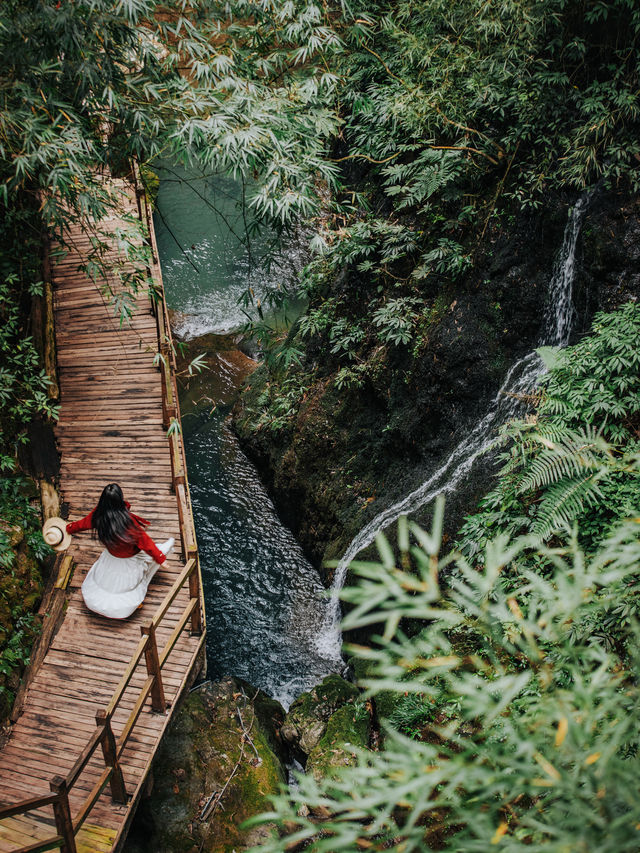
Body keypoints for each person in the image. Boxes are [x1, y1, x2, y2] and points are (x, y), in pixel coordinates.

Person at [65, 483, 174, 619]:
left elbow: (82, 524)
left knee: (107, 583)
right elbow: (145, 542)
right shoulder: (128, 522)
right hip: (128, 561)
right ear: (120, 499)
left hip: (111, 557)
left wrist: (68, 529)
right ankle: (132, 604)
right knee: (133, 580)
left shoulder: (98, 515)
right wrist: (160, 558)